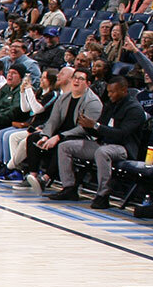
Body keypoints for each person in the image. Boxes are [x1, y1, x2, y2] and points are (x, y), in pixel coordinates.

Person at [50, 77, 147, 209]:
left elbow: (122, 134)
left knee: (102, 152)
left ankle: (103, 195)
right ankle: (69, 188)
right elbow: (99, 130)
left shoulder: (135, 109)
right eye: (108, 92)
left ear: (124, 90)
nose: (109, 95)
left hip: (123, 148)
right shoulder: (110, 105)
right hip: (102, 143)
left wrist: (95, 126)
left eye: (113, 92)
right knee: (65, 146)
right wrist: (87, 126)